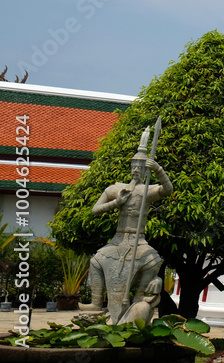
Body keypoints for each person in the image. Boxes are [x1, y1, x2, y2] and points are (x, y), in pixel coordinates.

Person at [83, 127, 173, 324]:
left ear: (145, 171)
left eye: (140, 167)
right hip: (118, 238)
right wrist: (117, 203)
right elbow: (95, 210)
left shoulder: (147, 190)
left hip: (138, 239)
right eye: (134, 166)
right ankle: (96, 303)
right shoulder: (116, 189)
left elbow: (168, 189)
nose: (136, 170)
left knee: (153, 261)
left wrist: (158, 170)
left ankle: (140, 300)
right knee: (96, 261)